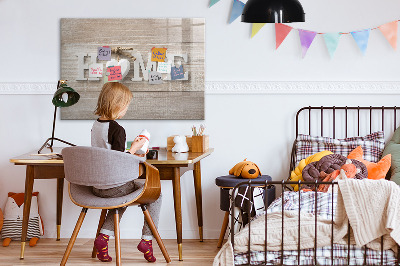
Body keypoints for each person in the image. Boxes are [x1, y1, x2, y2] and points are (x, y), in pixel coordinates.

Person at [91, 82, 162, 263]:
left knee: (121, 198)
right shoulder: (117, 129)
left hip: (97, 186)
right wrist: (136, 148)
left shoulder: (96, 125)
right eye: (126, 105)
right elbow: (119, 161)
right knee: (156, 194)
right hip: (114, 186)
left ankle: (104, 238)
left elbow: (108, 154)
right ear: (117, 105)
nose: (126, 109)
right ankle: (147, 240)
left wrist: (132, 150)